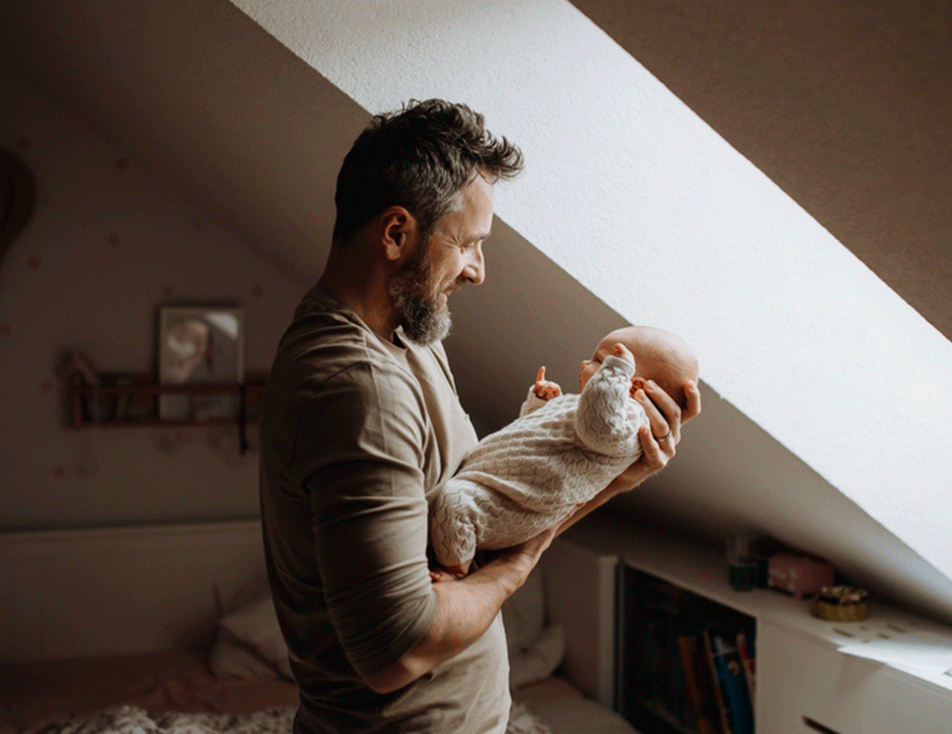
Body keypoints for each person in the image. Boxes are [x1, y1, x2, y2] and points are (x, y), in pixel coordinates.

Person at [258, 99, 701, 734]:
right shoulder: (356, 387)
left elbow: (482, 496)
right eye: (467, 244)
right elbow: (396, 650)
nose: (479, 271)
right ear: (395, 234)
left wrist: (611, 472)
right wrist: (522, 562)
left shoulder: (407, 334)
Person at [429, 326, 699, 578]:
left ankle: (455, 568)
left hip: (508, 503)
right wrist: (541, 404)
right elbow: (537, 439)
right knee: (456, 502)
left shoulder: (627, 423)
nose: (584, 364)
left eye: (599, 361)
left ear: (632, 385)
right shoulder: (586, 410)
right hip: (496, 480)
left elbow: (597, 427)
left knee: (455, 505)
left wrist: (616, 370)